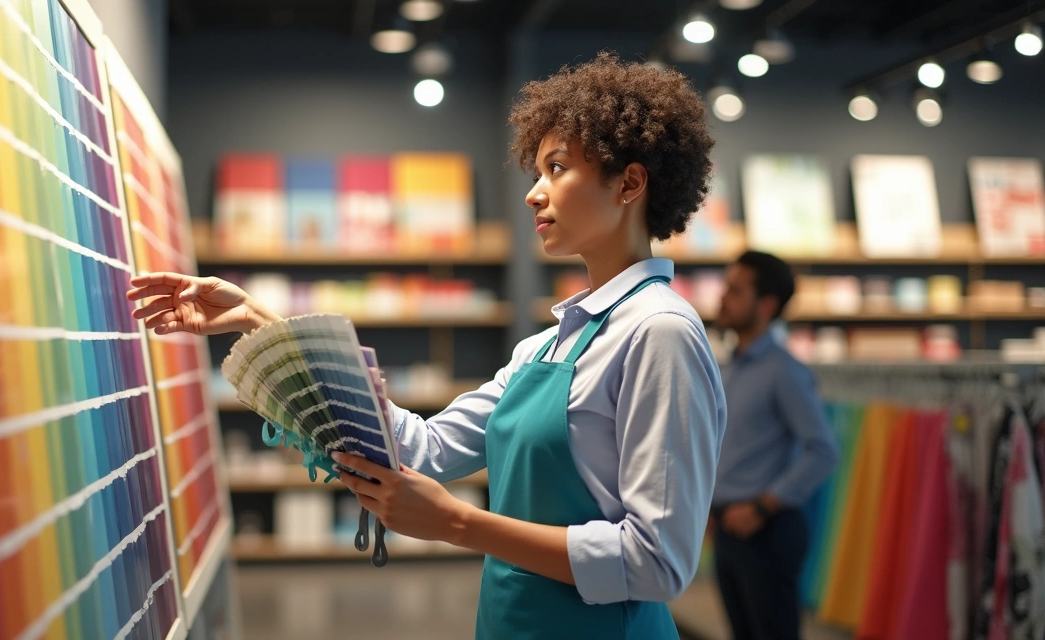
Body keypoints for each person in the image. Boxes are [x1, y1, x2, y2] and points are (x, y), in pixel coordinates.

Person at [127, 52, 726, 640]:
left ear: (630, 183)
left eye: (558, 168)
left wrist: (458, 523)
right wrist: (262, 324)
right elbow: (425, 448)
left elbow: (658, 561)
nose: (533, 194)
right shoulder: (547, 345)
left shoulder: (659, 332)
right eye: (535, 173)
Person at [710, 251, 840, 640]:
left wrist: (764, 506)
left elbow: (823, 450)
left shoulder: (784, 371)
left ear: (765, 304)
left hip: (767, 531)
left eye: (735, 290)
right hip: (728, 530)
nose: (722, 298)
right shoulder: (729, 367)